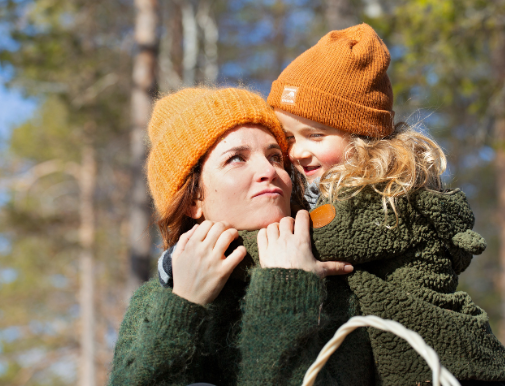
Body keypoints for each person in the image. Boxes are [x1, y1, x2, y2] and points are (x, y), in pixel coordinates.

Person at [262, 23, 505, 385]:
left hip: (452, 368)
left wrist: (220, 239)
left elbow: (305, 240)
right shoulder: (340, 191)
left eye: (316, 134)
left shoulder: (383, 197)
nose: (299, 151)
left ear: (361, 135)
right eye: (289, 137)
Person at [108, 87, 375, 385]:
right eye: (236, 158)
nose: (269, 170)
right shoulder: (157, 301)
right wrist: (184, 304)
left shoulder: (340, 277)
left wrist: (288, 288)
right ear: (194, 197)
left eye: (275, 157)